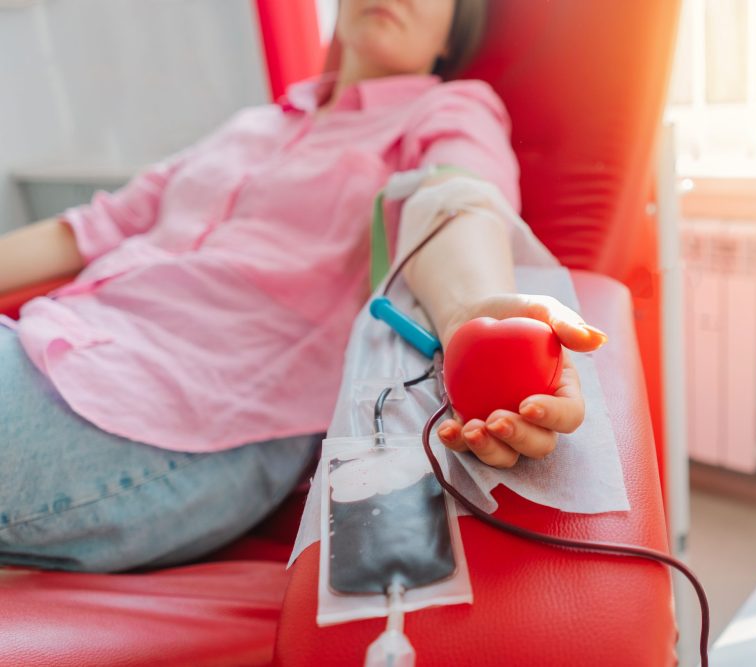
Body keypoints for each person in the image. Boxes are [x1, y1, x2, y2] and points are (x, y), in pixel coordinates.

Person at [0, 0, 607, 573]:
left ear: (453, 32)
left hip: (175, 412)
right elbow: (92, 227)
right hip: (46, 340)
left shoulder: (449, 109)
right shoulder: (254, 124)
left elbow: (455, 201)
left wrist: (470, 312)